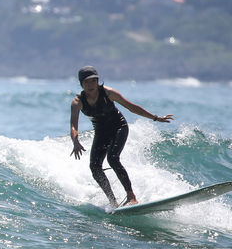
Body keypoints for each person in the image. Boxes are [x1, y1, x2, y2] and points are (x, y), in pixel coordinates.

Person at [69, 66, 173, 208]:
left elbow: (131, 107)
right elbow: (73, 126)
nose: (91, 85)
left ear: (97, 81)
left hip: (119, 127)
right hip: (101, 132)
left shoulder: (108, 93)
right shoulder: (78, 102)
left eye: (93, 81)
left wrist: (155, 117)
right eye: (87, 82)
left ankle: (131, 196)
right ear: (81, 84)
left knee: (112, 158)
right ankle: (113, 202)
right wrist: (75, 141)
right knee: (94, 166)